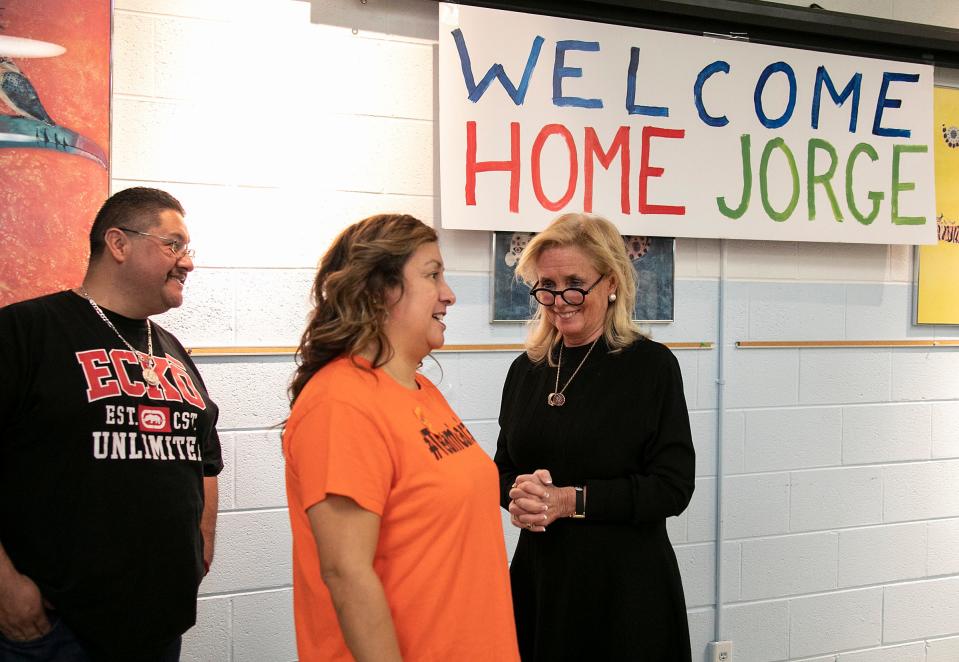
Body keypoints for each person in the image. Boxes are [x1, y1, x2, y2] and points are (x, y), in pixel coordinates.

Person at [283, 214, 519, 662]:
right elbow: (345, 573)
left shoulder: (420, 390)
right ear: (379, 291)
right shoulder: (341, 404)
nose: (448, 294)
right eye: (432, 275)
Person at [0, 187, 222, 662]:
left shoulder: (171, 348)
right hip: (54, 629)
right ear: (118, 244)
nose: (187, 263)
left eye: (188, 249)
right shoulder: (24, 332)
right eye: (173, 245)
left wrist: (200, 544)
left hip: (159, 626)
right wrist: (5, 588)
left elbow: (206, 457)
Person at [494, 212, 695, 661]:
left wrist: (571, 500)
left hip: (625, 593)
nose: (558, 299)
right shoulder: (526, 370)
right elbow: (503, 466)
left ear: (612, 283)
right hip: (541, 584)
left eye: (574, 283)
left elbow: (673, 487)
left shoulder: (652, 368)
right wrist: (516, 494)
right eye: (546, 284)